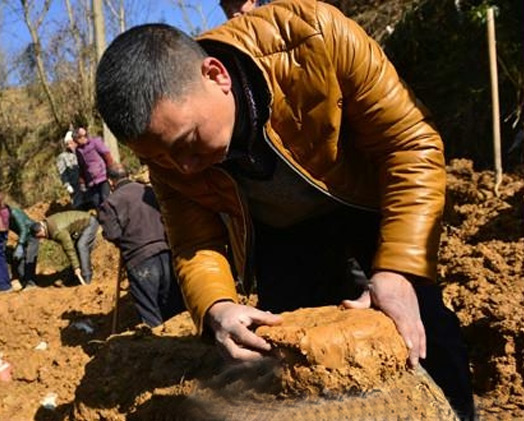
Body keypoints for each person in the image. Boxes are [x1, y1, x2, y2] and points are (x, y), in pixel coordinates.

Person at [95, 7, 474, 419]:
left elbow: (409, 144)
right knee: (291, 359)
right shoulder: (169, 154)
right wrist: (217, 306)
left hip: (372, 205)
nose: (182, 166)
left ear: (216, 75)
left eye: (188, 141)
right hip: (280, 235)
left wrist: (399, 268)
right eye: (162, 158)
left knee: (421, 325)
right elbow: (194, 241)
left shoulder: (315, 37)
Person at [97, 167, 184, 327]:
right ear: (128, 175)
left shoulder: (110, 203)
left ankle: (157, 345)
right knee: (175, 304)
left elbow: (112, 234)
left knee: (150, 311)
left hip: (140, 259)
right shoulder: (149, 191)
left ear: (110, 182)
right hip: (166, 252)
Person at [30, 210, 98, 285]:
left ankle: (86, 277)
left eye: (41, 236)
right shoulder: (47, 224)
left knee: (81, 246)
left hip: (89, 223)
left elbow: (69, 249)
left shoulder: (57, 231)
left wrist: (76, 267)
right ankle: (73, 276)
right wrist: (75, 266)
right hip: (80, 225)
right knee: (77, 248)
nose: (42, 238)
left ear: (42, 228)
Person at [74, 127, 115, 209]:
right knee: (96, 202)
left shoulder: (95, 142)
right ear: (76, 139)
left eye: (85, 135)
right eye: (81, 137)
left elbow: (107, 156)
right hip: (91, 181)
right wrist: (82, 181)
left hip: (102, 177)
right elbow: (81, 166)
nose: (84, 138)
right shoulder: (78, 150)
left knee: (106, 199)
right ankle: (104, 219)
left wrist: (110, 173)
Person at [8, 206, 39, 289]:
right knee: (20, 260)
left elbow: (23, 229)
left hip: (32, 235)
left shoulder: (14, 212)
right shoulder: (4, 216)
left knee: (30, 258)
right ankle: (24, 280)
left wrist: (20, 244)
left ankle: (31, 283)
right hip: (24, 237)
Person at [57, 130, 85, 209]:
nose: (69, 145)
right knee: (78, 204)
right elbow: (62, 172)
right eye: (67, 144)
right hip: (74, 185)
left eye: (71, 143)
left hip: (86, 183)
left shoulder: (82, 151)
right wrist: (67, 185)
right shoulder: (62, 157)